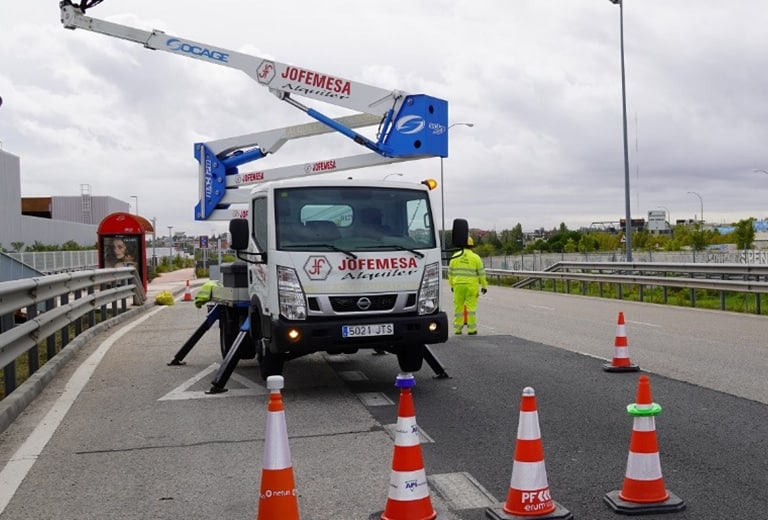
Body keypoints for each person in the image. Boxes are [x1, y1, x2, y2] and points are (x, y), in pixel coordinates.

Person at [448, 237, 488, 335]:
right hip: (471, 286)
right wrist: (484, 286)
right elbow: (481, 273)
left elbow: (450, 273)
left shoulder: (455, 256)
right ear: (471, 246)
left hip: (458, 285)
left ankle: (458, 329)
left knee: (458, 307)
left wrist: (452, 285)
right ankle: (471, 329)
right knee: (471, 308)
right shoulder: (476, 257)